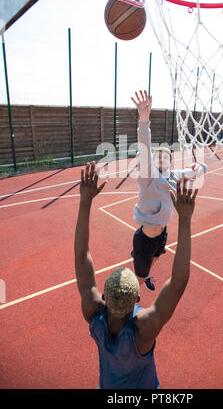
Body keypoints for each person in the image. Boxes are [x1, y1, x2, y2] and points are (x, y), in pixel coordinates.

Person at [74, 161, 198, 389]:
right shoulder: (141, 330)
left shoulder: (94, 315)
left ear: (103, 297)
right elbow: (179, 283)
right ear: (137, 300)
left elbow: (82, 256)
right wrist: (185, 219)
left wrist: (84, 202)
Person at [130, 89, 207, 290]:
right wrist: (144, 121)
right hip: (145, 238)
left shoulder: (174, 175)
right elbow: (145, 148)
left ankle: (144, 275)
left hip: (162, 233)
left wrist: (200, 167)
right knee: (136, 280)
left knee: (157, 258)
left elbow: (198, 172)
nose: (162, 158)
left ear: (171, 162)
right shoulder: (149, 176)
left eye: (166, 156)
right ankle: (135, 289)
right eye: (158, 157)